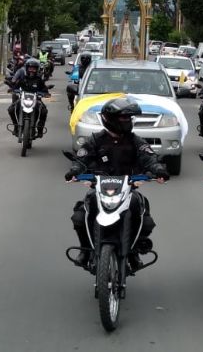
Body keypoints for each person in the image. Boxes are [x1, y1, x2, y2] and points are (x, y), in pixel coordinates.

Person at [65, 97, 170, 268]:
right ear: (110, 119)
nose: (127, 122)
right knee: (80, 215)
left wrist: (158, 169)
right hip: (99, 189)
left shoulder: (136, 141)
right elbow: (81, 159)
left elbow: (150, 158)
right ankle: (85, 250)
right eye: (123, 118)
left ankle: (134, 252)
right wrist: (75, 171)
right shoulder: (95, 140)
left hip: (128, 190)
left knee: (143, 213)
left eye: (129, 118)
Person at [7, 58, 50, 138]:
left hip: (36, 100)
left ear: (36, 70)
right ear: (27, 68)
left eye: (34, 69)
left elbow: (44, 89)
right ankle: (16, 127)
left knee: (44, 111)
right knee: (11, 109)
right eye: (30, 68)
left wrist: (46, 93)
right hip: (23, 99)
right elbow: (16, 86)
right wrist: (12, 89)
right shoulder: (23, 79)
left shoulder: (39, 80)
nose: (32, 70)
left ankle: (40, 130)